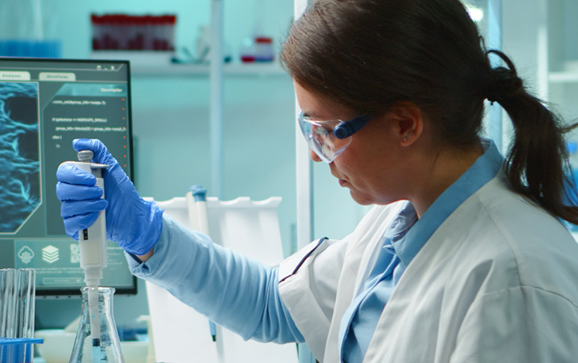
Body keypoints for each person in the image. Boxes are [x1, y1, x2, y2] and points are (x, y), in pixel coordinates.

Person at [56, 0, 578, 361]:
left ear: (405, 124)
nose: (315, 155)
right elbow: (271, 303)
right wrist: (148, 235)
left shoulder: (512, 276)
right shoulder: (399, 222)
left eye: (329, 132)